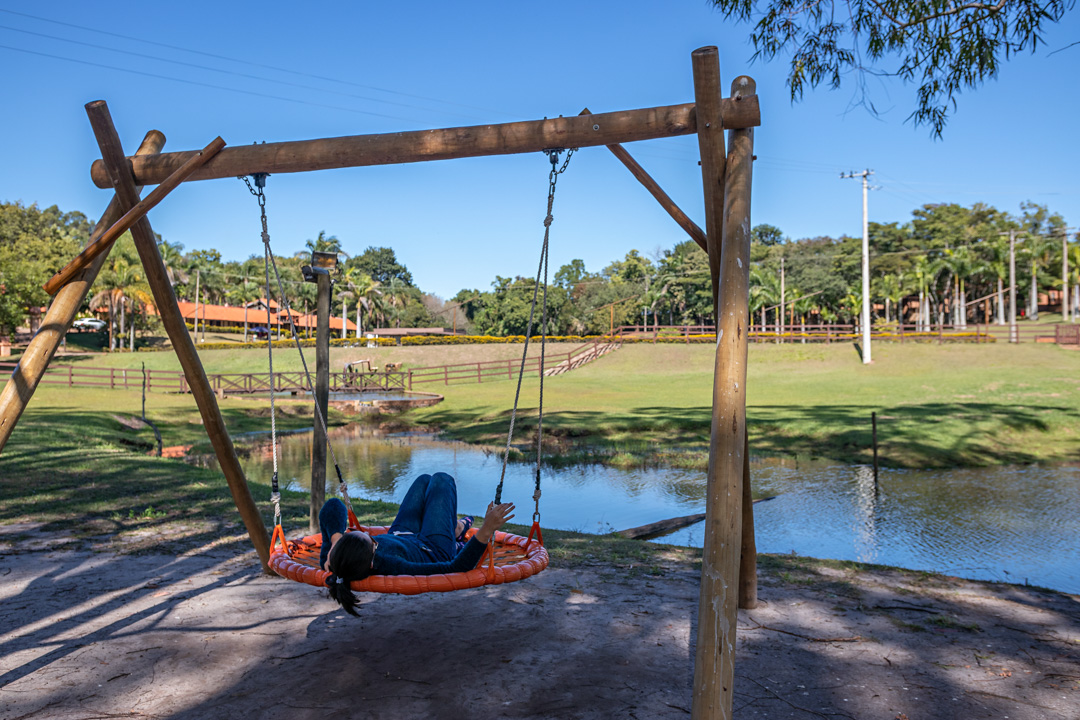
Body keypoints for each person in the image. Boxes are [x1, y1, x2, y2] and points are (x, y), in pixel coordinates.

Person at [320, 472, 515, 615]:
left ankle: (454, 528)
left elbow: (333, 505)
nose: (371, 537)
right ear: (372, 561)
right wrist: (486, 529)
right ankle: (453, 534)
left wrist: (335, 541)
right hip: (432, 547)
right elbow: (457, 567)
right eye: (374, 543)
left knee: (424, 480)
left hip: (401, 532)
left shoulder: (338, 560)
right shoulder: (393, 564)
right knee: (441, 480)